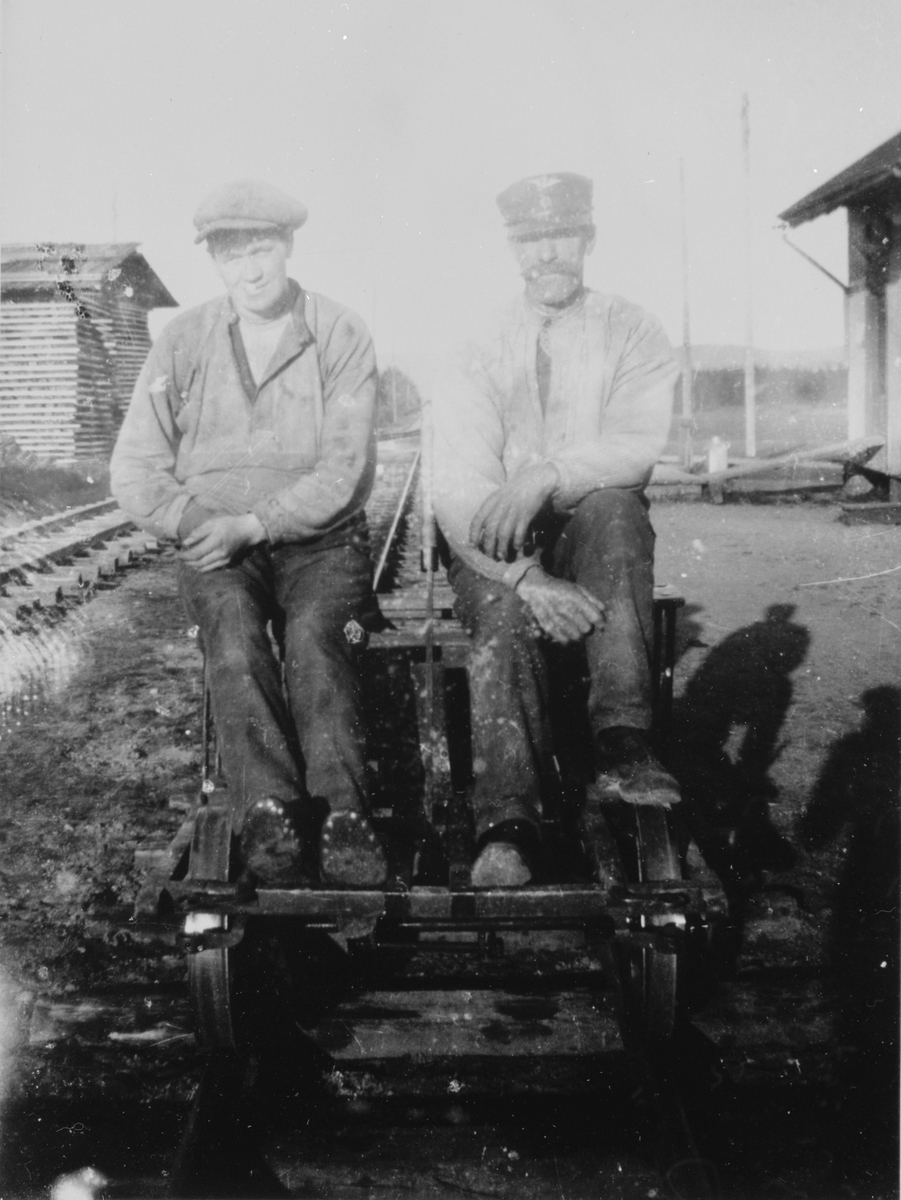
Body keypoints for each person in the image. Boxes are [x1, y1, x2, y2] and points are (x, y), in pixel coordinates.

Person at [110, 179, 387, 888]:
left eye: (261, 250)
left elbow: (345, 469)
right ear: (213, 262)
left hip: (320, 542)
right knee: (231, 635)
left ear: (288, 246)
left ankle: (344, 819)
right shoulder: (183, 340)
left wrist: (257, 523)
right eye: (231, 257)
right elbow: (135, 467)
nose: (250, 271)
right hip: (216, 542)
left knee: (316, 640)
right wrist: (198, 522)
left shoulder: (339, 330)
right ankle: (269, 809)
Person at [432, 172, 681, 888]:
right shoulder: (478, 342)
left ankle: (622, 741)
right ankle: (508, 823)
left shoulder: (630, 328)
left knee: (616, 508)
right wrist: (525, 578)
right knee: (504, 614)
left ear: (588, 239)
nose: (546, 253)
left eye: (560, 236)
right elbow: (456, 490)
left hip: (589, 533)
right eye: (529, 239)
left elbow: (634, 446)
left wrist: (543, 474)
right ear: (512, 249)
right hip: (501, 550)